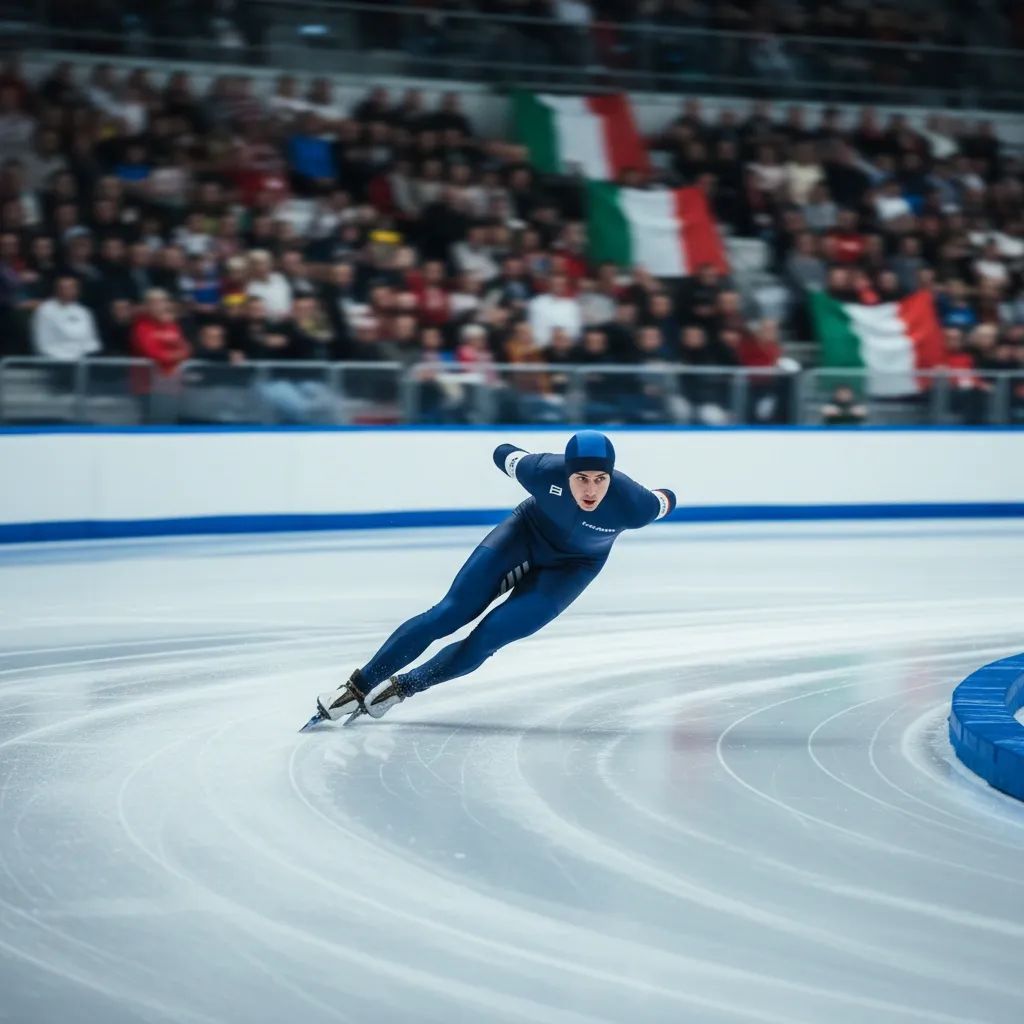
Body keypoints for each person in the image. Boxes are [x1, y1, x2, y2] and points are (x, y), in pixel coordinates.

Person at [307, 432, 676, 725]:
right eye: (581, 478)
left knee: (487, 639)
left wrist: (661, 496)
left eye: (600, 479)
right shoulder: (542, 470)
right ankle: (356, 687)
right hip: (523, 534)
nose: (591, 490)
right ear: (566, 473)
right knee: (448, 613)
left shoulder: (634, 505)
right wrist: (515, 457)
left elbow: (667, 498)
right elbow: (503, 452)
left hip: (573, 566)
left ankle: (405, 687)